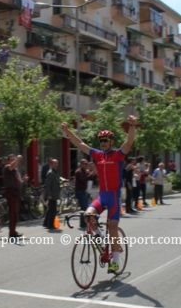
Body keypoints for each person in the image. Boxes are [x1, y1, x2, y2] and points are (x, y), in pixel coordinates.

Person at [61, 116, 138, 273]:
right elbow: (80, 144)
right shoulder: (97, 155)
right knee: (88, 215)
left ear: (111, 142)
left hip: (114, 197)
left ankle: (115, 260)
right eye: (101, 140)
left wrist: (132, 126)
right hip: (102, 196)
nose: (103, 143)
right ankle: (101, 237)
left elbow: (129, 142)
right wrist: (68, 131)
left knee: (113, 226)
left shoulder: (118, 155)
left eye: (106, 140)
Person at [3, 154, 24, 238]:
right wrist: (17, 159)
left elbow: (19, 181)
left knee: (15, 213)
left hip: (16, 193)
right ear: (8, 161)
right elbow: (11, 166)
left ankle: (13, 231)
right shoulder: (7, 167)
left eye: (14, 159)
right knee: (12, 213)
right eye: (11, 159)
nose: (13, 161)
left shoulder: (15, 170)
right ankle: (12, 233)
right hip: (10, 192)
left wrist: (23, 180)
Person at [74, 159, 93, 227]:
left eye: (86, 164)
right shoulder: (78, 172)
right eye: (85, 164)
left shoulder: (85, 171)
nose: (86, 165)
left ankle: (85, 222)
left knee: (85, 207)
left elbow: (91, 178)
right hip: (80, 191)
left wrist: (91, 173)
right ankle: (83, 223)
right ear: (81, 164)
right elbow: (83, 179)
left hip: (84, 191)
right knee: (84, 207)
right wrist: (90, 174)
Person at [42, 158, 60, 230]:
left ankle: (46, 223)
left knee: (50, 209)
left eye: (57, 163)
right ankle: (50, 225)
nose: (56, 165)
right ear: (51, 164)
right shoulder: (50, 173)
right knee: (52, 210)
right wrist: (49, 194)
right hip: (51, 194)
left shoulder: (55, 172)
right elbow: (48, 185)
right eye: (55, 163)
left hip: (55, 193)